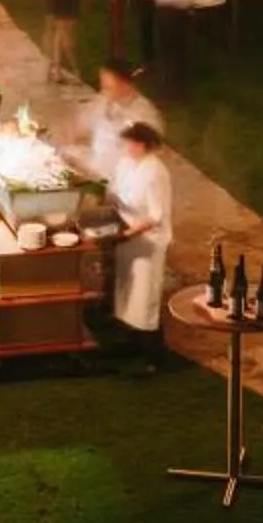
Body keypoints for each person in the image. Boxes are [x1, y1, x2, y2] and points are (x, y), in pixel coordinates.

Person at [106, 121, 175, 370]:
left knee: (145, 299)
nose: (124, 147)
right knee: (127, 293)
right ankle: (129, 342)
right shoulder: (126, 163)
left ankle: (153, 356)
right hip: (127, 236)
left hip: (147, 243)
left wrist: (129, 233)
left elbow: (155, 215)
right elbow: (115, 193)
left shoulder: (155, 172)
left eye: (129, 143)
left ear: (141, 145)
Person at [71, 63, 162, 183]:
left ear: (125, 84)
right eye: (102, 83)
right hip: (96, 163)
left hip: (119, 174)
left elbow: (148, 150)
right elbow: (82, 127)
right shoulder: (105, 100)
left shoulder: (142, 113)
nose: (103, 88)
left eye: (108, 86)